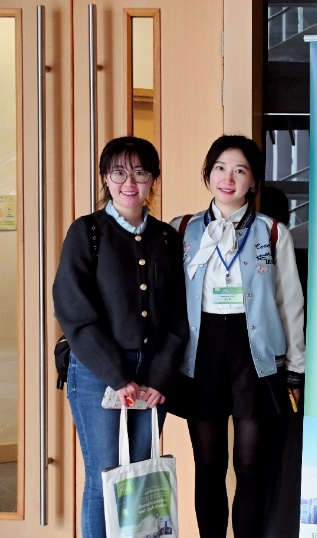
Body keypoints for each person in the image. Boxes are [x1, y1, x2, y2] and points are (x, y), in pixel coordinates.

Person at [52, 136, 189, 538]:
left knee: (140, 477)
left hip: (153, 377)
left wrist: (161, 377)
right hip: (98, 373)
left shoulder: (167, 238)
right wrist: (117, 375)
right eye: (119, 172)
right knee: (105, 476)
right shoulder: (88, 232)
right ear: (105, 178)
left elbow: (178, 315)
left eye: (140, 173)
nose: (130, 182)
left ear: (153, 180)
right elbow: (74, 310)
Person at [170, 135, 306, 537]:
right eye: (220, 168)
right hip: (201, 353)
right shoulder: (182, 229)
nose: (228, 178)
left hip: (255, 355)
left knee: (250, 465)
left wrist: (295, 369)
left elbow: (290, 304)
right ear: (208, 174)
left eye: (240, 170)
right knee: (208, 464)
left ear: (253, 182)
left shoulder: (272, 232)